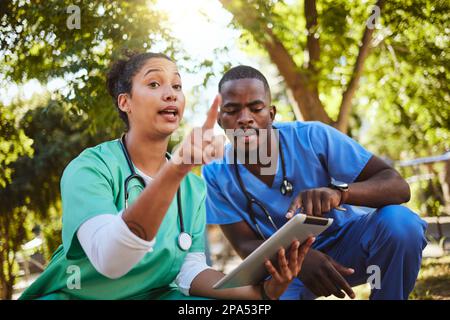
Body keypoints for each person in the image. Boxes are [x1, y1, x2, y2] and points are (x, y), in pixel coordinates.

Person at [19, 53, 313, 300]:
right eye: (154, 83)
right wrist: (176, 171)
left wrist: (263, 293)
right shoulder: (91, 168)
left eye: (177, 85)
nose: (171, 92)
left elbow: (190, 271)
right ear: (125, 102)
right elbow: (110, 260)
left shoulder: (193, 189)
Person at [202, 65, 428, 300]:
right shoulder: (216, 173)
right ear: (220, 119)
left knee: (401, 223)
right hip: (284, 269)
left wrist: (340, 193)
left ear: (271, 113)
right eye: (232, 110)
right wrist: (297, 256)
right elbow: (244, 244)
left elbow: (398, 187)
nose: (244, 119)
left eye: (256, 108)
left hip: (349, 246)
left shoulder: (312, 136)